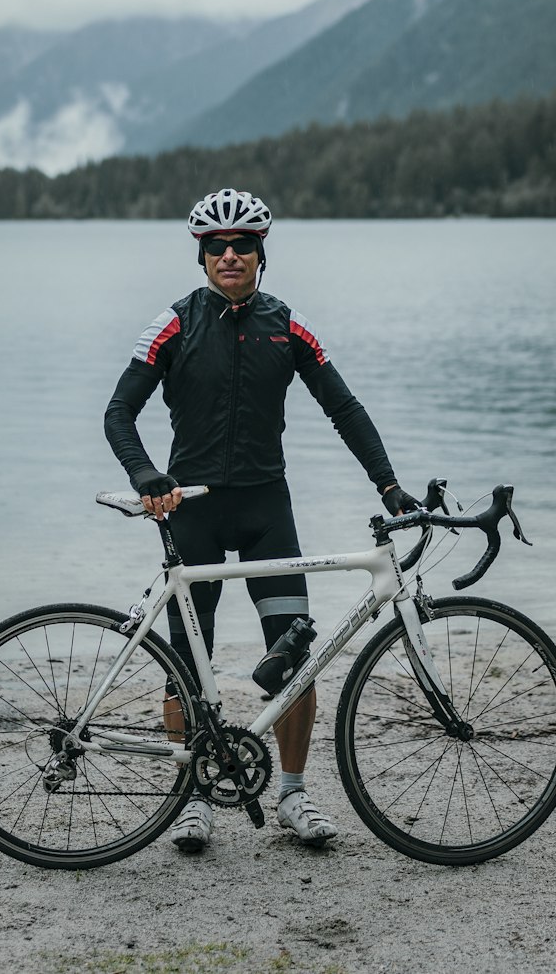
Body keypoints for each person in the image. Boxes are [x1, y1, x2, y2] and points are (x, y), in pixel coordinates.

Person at [104, 187, 419, 853]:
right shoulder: (173, 323)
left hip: (265, 511)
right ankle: (191, 800)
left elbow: (345, 407)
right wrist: (145, 477)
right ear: (201, 257)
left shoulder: (288, 325)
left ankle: (295, 796)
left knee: (294, 658)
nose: (229, 255)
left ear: (260, 253)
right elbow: (117, 413)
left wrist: (388, 484)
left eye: (242, 245)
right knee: (187, 665)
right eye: (216, 247)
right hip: (192, 511)